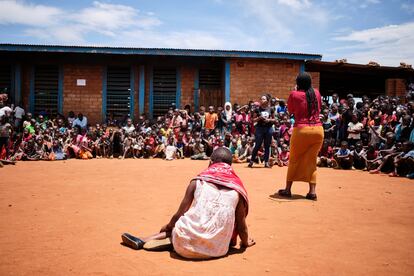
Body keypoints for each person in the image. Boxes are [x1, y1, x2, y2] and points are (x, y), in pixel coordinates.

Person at [121, 147, 255, 259]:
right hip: (218, 249)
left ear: (210, 162)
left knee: (179, 226)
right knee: (201, 227)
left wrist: (168, 226)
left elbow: (179, 214)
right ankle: (177, 240)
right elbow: (242, 227)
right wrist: (245, 243)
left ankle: (146, 239)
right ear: (230, 165)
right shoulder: (237, 189)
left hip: (183, 246)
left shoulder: (198, 181)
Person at [276, 72, 324, 201]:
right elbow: (319, 108)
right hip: (318, 130)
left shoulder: (294, 94)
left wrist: (294, 92)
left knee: (294, 159)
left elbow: (291, 110)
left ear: (298, 83)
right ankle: (312, 192)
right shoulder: (317, 93)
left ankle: (288, 189)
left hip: (302, 130)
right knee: (312, 161)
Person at [248, 94, 275, 168]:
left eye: (263, 99)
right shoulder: (257, 109)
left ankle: (266, 162)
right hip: (259, 129)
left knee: (267, 145)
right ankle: (252, 161)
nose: (261, 100)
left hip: (268, 128)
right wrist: (259, 118)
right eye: (261, 99)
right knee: (257, 145)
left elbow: (274, 119)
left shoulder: (271, 109)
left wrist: (268, 120)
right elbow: (253, 120)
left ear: (267, 100)